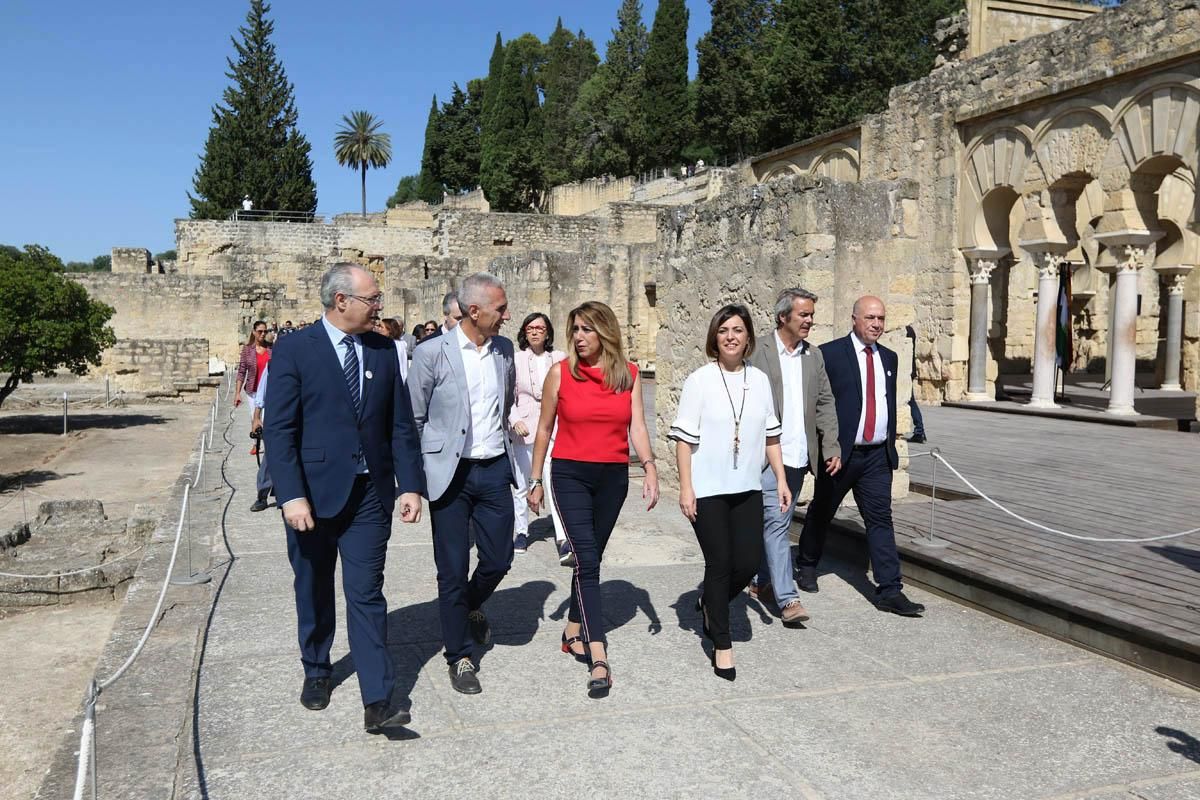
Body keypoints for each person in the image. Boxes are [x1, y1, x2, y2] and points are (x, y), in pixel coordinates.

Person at [263, 263, 425, 734]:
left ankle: (378, 698)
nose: (379, 305)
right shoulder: (295, 349)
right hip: (311, 498)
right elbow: (279, 429)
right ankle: (317, 668)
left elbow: (399, 425)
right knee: (313, 587)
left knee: (367, 593)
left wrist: (409, 484)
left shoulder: (383, 349)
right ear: (341, 301)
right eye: (372, 298)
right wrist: (290, 495)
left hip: (370, 496)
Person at [528, 301, 659, 699]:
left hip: (613, 478)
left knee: (589, 558)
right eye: (576, 330)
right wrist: (535, 480)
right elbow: (544, 428)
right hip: (569, 474)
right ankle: (597, 652)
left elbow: (636, 424)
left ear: (605, 332)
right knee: (588, 562)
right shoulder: (559, 374)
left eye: (587, 329)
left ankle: (571, 630)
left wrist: (650, 467)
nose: (580, 337)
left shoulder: (629, 375)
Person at [408, 272, 519, 696]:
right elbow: (414, 418)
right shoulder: (432, 353)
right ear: (475, 311)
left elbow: (503, 403)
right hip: (448, 476)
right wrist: (414, 483)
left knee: (499, 557)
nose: (507, 315)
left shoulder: (505, 351)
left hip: (492, 469)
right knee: (451, 570)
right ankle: (459, 656)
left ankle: (467, 606)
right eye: (501, 309)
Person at [670, 305, 790, 681]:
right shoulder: (699, 381)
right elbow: (684, 441)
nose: (731, 337)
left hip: (747, 488)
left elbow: (771, 435)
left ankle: (710, 600)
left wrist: (782, 480)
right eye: (723, 331)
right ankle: (722, 643)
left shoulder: (759, 380)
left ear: (748, 336)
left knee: (748, 562)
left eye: (737, 330)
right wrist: (686, 488)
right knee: (720, 563)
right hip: (707, 489)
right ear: (714, 337)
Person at [796, 295, 926, 617]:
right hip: (841, 455)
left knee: (881, 519)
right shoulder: (830, 354)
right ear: (854, 319)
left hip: (876, 457)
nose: (876, 324)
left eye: (880, 318)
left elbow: (887, 403)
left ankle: (890, 590)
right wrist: (825, 448)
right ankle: (807, 564)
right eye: (870, 318)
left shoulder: (891, 358)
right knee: (823, 510)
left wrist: (890, 448)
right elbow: (817, 406)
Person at [747, 288, 841, 626]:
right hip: (768, 457)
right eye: (804, 315)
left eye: (812, 315)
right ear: (783, 316)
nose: (810, 321)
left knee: (777, 522)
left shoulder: (812, 356)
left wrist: (830, 446)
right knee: (776, 524)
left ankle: (760, 581)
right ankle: (788, 600)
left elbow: (825, 403)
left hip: (800, 458)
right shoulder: (757, 350)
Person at [509, 312, 568, 561]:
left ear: (547, 332)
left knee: (552, 481)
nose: (535, 332)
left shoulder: (560, 358)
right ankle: (521, 531)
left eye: (540, 328)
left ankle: (563, 535)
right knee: (522, 483)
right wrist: (514, 420)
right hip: (524, 429)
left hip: (553, 427)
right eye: (531, 327)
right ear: (524, 331)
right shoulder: (515, 359)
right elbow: (506, 395)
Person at [235, 321, 271, 452]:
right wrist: (238, 393)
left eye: (265, 331)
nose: (263, 334)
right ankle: (256, 443)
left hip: (269, 390)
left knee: (267, 417)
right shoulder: (247, 350)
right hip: (252, 389)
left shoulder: (271, 349)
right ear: (254, 332)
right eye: (260, 331)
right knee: (254, 416)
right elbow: (241, 371)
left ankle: (268, 445)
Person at [249, 363, 273, 512]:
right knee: (270, 457)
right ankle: (262, 495)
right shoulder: (273, 365)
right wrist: (257, 416)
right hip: (276, 416)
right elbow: (262, 389)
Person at [905, 324, 927, 443]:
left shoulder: (905, 331)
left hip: (905, 371)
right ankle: (919, 431)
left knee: (911, 401)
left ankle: (919, 430)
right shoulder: (910, 330)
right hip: (909, 370)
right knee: (910, 401)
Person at [376, 318, 409, 382]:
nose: (378, 329)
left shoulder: (397, 344)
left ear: (389, 330)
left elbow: (401, 364)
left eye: (381, 327)